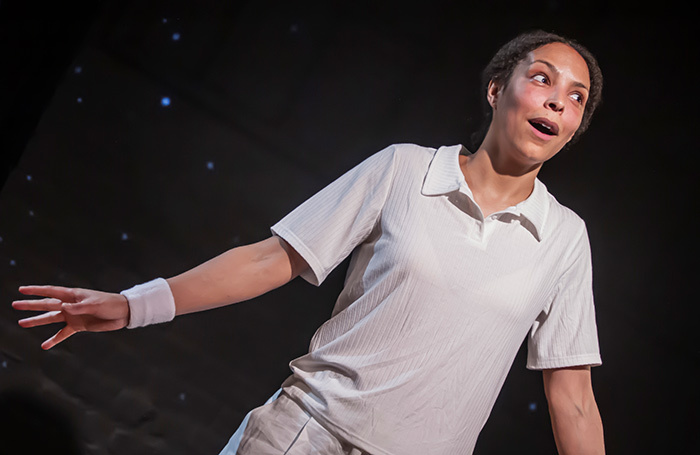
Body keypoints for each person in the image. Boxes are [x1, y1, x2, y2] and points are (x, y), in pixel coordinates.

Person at [13, 30, 605, 454]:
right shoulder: (403, 171)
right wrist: (131, 306)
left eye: (576, 97)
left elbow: (572, 398)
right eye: (542, 78)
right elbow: (273, 258)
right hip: (304, 435)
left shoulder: (564, 240)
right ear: (497, 90)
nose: (558, 99)